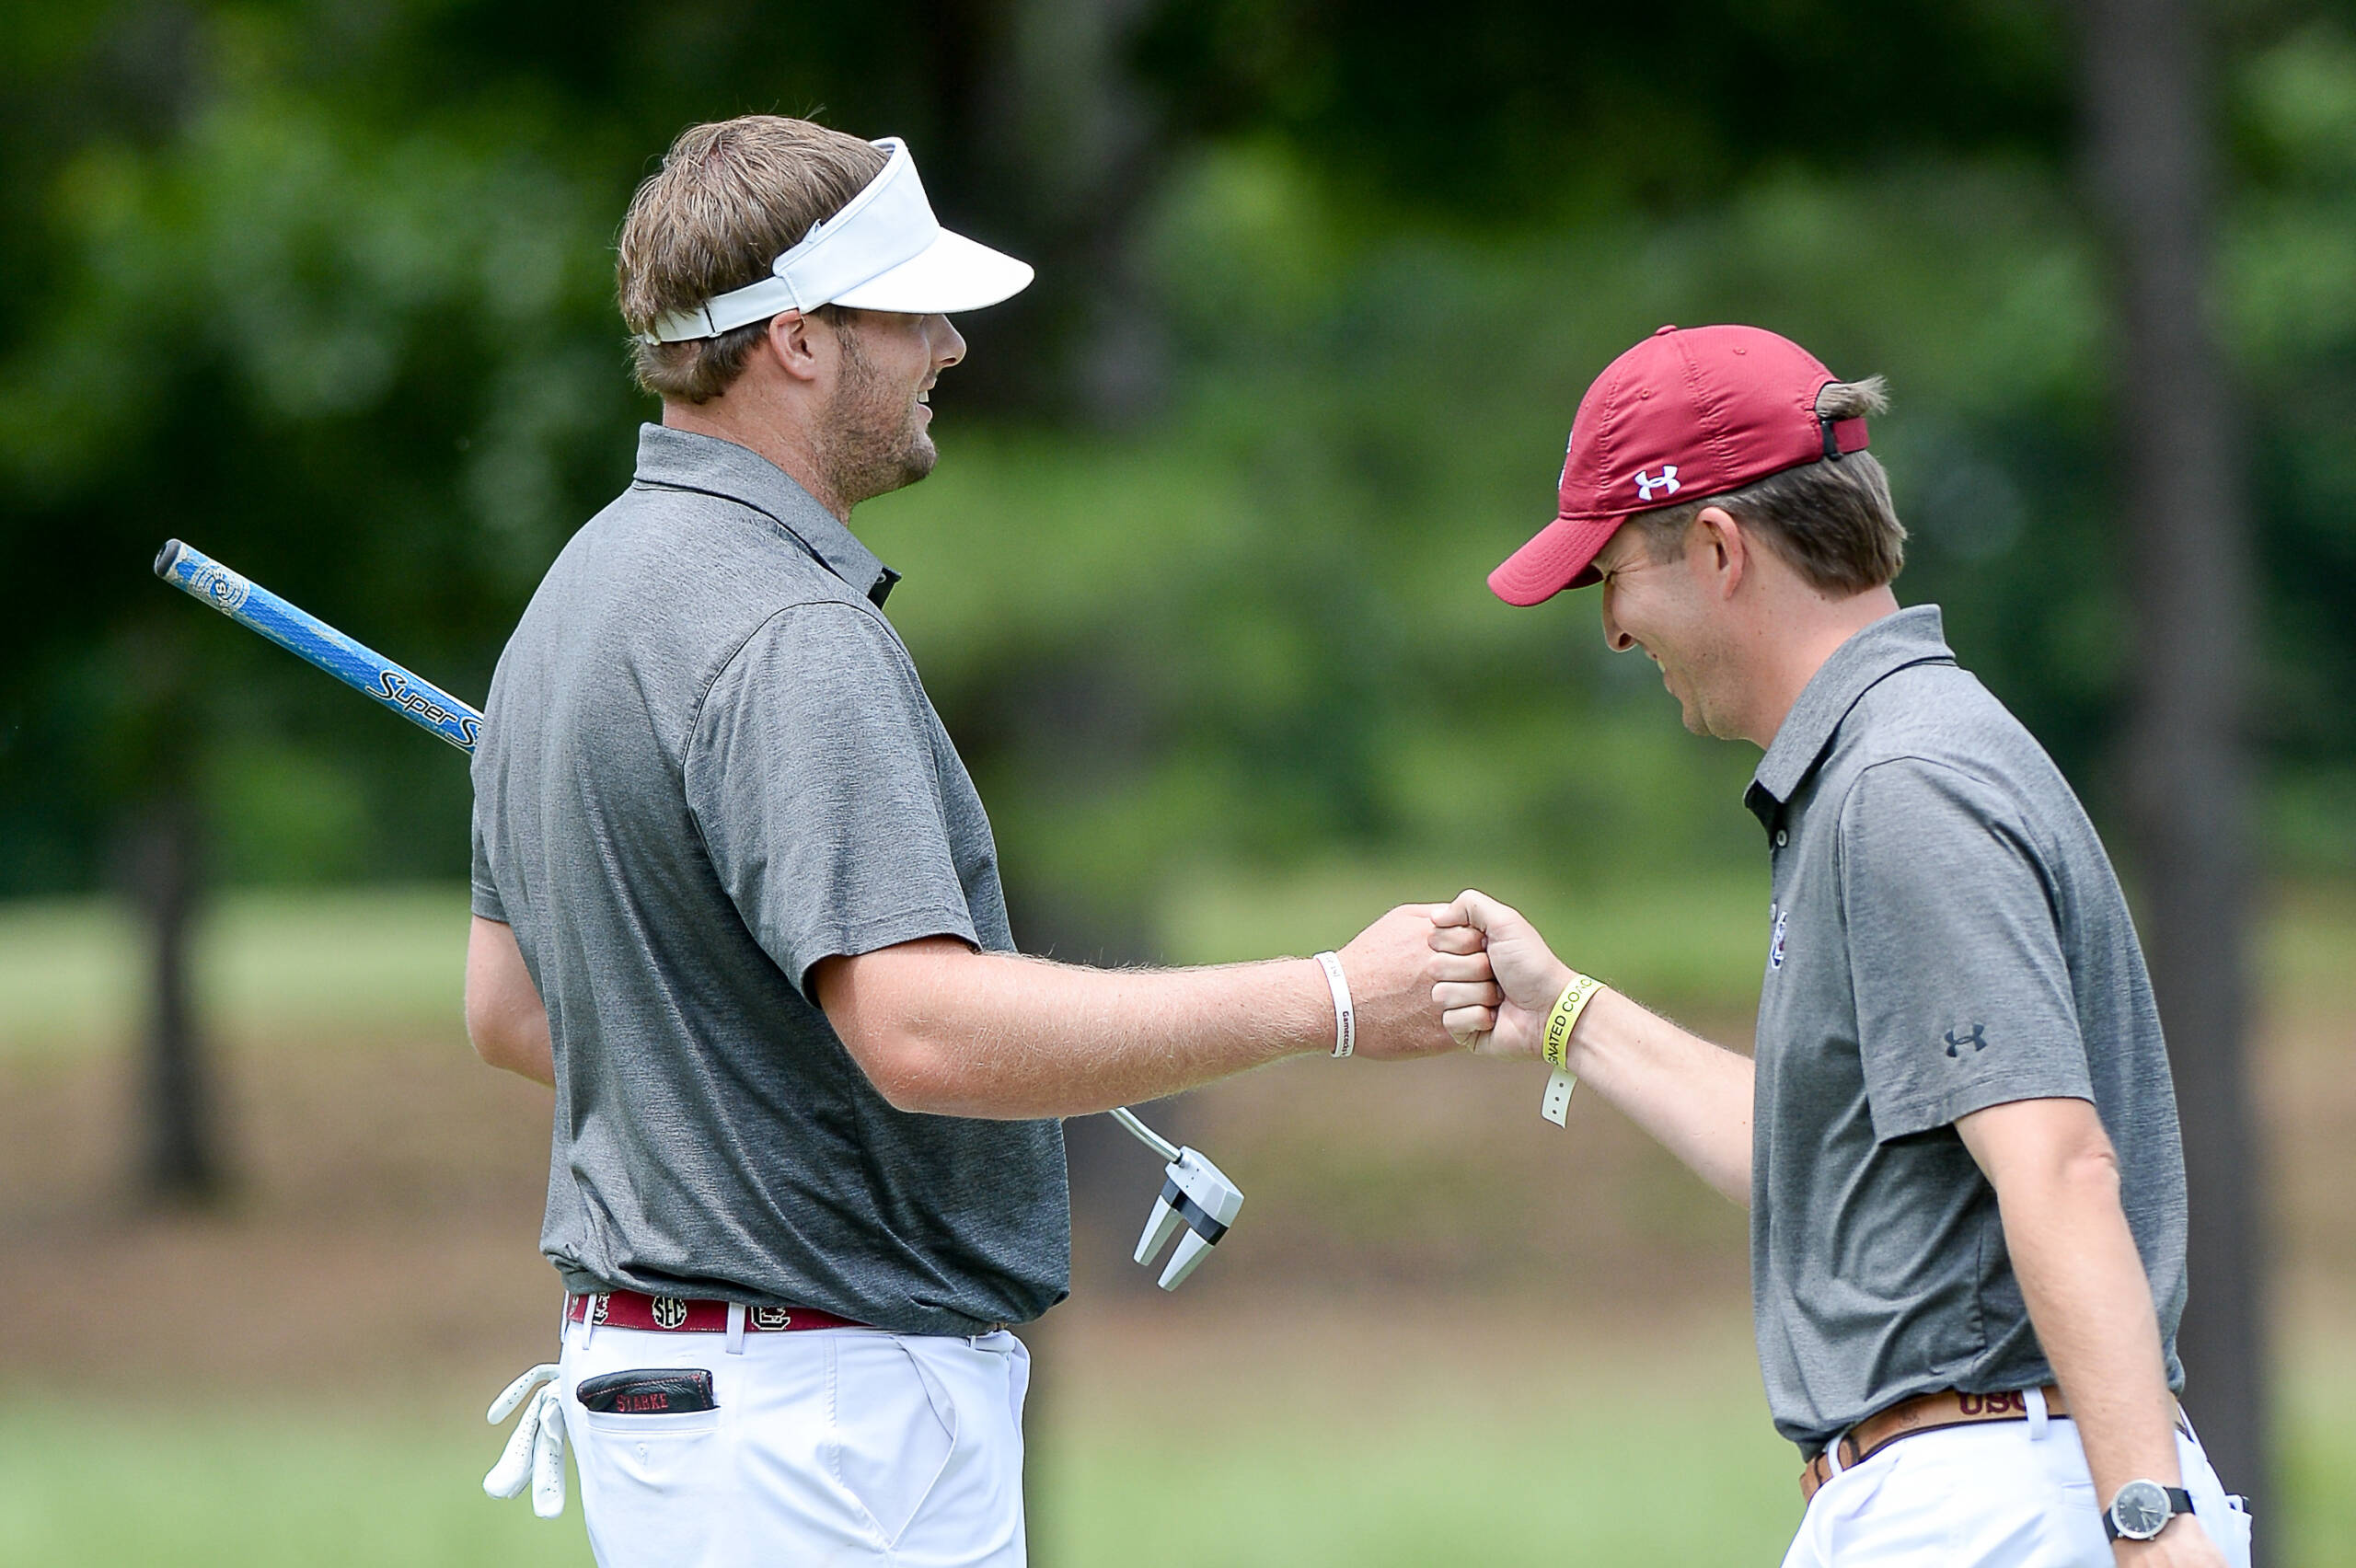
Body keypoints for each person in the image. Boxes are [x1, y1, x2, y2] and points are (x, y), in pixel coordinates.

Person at [461, 115, 1468, 1568]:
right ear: (798, 339)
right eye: (912, 311)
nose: (948, 345)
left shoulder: (573, 597)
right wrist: (1331, 999)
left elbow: (509, 1012)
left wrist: (737, 1058)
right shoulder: (795, 632)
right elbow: (923, 1033)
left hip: (711, 1408)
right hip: (815, 1421)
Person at [1426, 324, 2252, 1567]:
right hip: (1986, 1487)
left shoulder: (1903, 785)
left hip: (1993, 1499)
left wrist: (2149, 1524)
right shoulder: (1886, 763)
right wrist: (1564, 1013)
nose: (1609, 629)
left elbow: (2059, 1166)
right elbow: (1830, 1175)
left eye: (1609, 575)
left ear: (1716, 550)